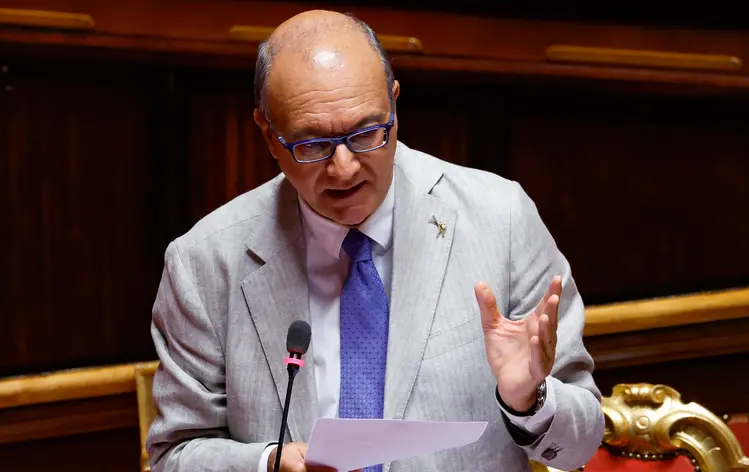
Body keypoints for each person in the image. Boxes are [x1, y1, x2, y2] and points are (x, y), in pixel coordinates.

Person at [146, 10, 604, 472]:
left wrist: (529, 400)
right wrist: (267, 464)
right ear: (268, 134)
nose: (344, 168)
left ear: (395, 104)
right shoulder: (204, 261)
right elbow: (174, 456)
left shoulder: (500, 219)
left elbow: (580, 446)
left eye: (367, 133)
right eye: (312, 144)